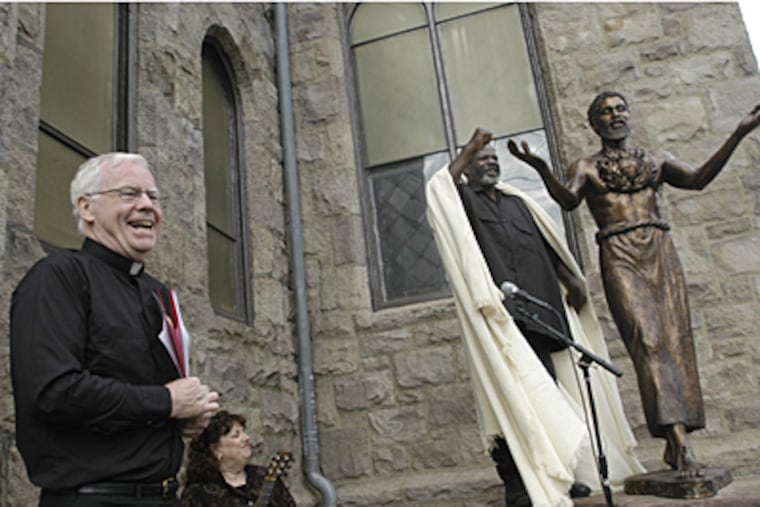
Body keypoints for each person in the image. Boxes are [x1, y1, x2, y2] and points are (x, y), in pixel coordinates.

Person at [508, 91, 760, 478]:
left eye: (620, 109)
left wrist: (738, 134)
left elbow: (696, 180)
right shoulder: (587, 167)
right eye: (606, 112)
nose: (615, 116)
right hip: (619, 252)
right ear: (594, 124)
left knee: (675, 341)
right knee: (647, 340)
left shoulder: (655, 160)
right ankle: (680, 444)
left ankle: (677, 443)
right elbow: (570, 201)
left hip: (660, 248)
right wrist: (543, 170)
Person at [426, 128, 644, 507]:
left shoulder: (518, 202)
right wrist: (469, 148)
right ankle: (516, 482)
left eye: (494, 158)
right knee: (512, 398)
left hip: (541, 311)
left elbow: (545, 243)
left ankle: (559, 473)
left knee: (549, 395)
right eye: (482, 159)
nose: (491, 161)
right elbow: (441, 186)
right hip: (503, 318)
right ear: (469, 169)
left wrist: (571, 278)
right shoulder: (463, 202)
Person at [10, 152, 220, 506]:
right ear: (87, 208)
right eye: (129, 194)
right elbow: (54, 391)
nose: (146, 206)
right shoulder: (59, 277)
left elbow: (148, 399)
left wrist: (182, 418)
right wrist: (167, 401)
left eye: (153, 197)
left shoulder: (158, 294)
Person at [181, 410, 297, 507]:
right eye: (236, 435)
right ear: (215, 450)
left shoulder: (265, 477)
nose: (246, 438)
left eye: (244, 432)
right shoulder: (199, 493)